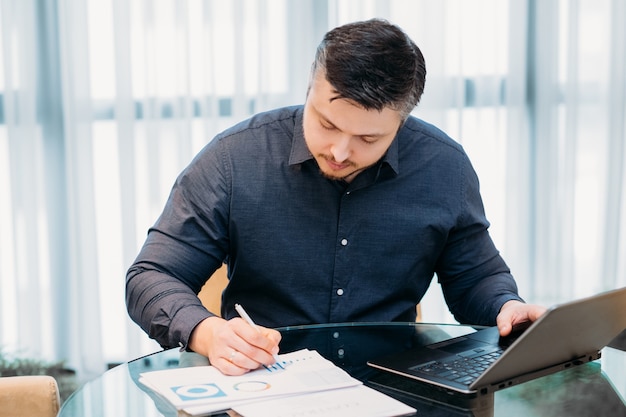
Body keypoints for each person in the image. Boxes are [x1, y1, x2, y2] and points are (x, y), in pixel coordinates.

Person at [126, 18, 546, 376]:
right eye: (326, 124)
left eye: (367, 137)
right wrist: (207, 331)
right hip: (261, 385)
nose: (340, 152)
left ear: (402, 120)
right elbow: (151, 276)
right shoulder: (235, 158)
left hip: (393, 385)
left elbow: (475, 278)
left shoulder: (444, 166)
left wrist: (505, 307)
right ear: (310, 86)